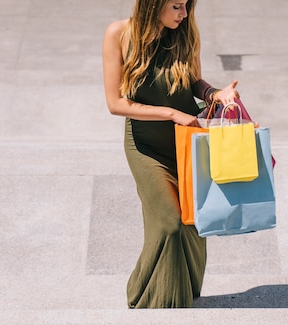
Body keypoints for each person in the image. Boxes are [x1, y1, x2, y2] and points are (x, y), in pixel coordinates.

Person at [102, 0, 240, 308]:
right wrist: (169, 113)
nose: (184, 13)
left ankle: (180, 297)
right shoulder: (119, 34)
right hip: (146, 145)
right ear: (153, 4)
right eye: (177, 6)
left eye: (187, 5)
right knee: (169, 222)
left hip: (187, 141)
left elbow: (193, 81)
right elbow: (115, 103)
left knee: (192, 223)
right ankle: (144, 295)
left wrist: (215, 94)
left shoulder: (184, 33)